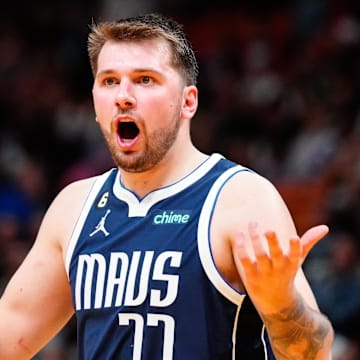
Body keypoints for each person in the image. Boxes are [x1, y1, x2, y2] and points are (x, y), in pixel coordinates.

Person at [0, 13, 333, 359]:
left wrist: (282, 305)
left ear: (188, 102)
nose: (123, 96)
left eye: (145, 80)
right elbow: (10, 337)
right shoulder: (74, 208)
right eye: (110, 81)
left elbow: (315, 355)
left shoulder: (241, 199)